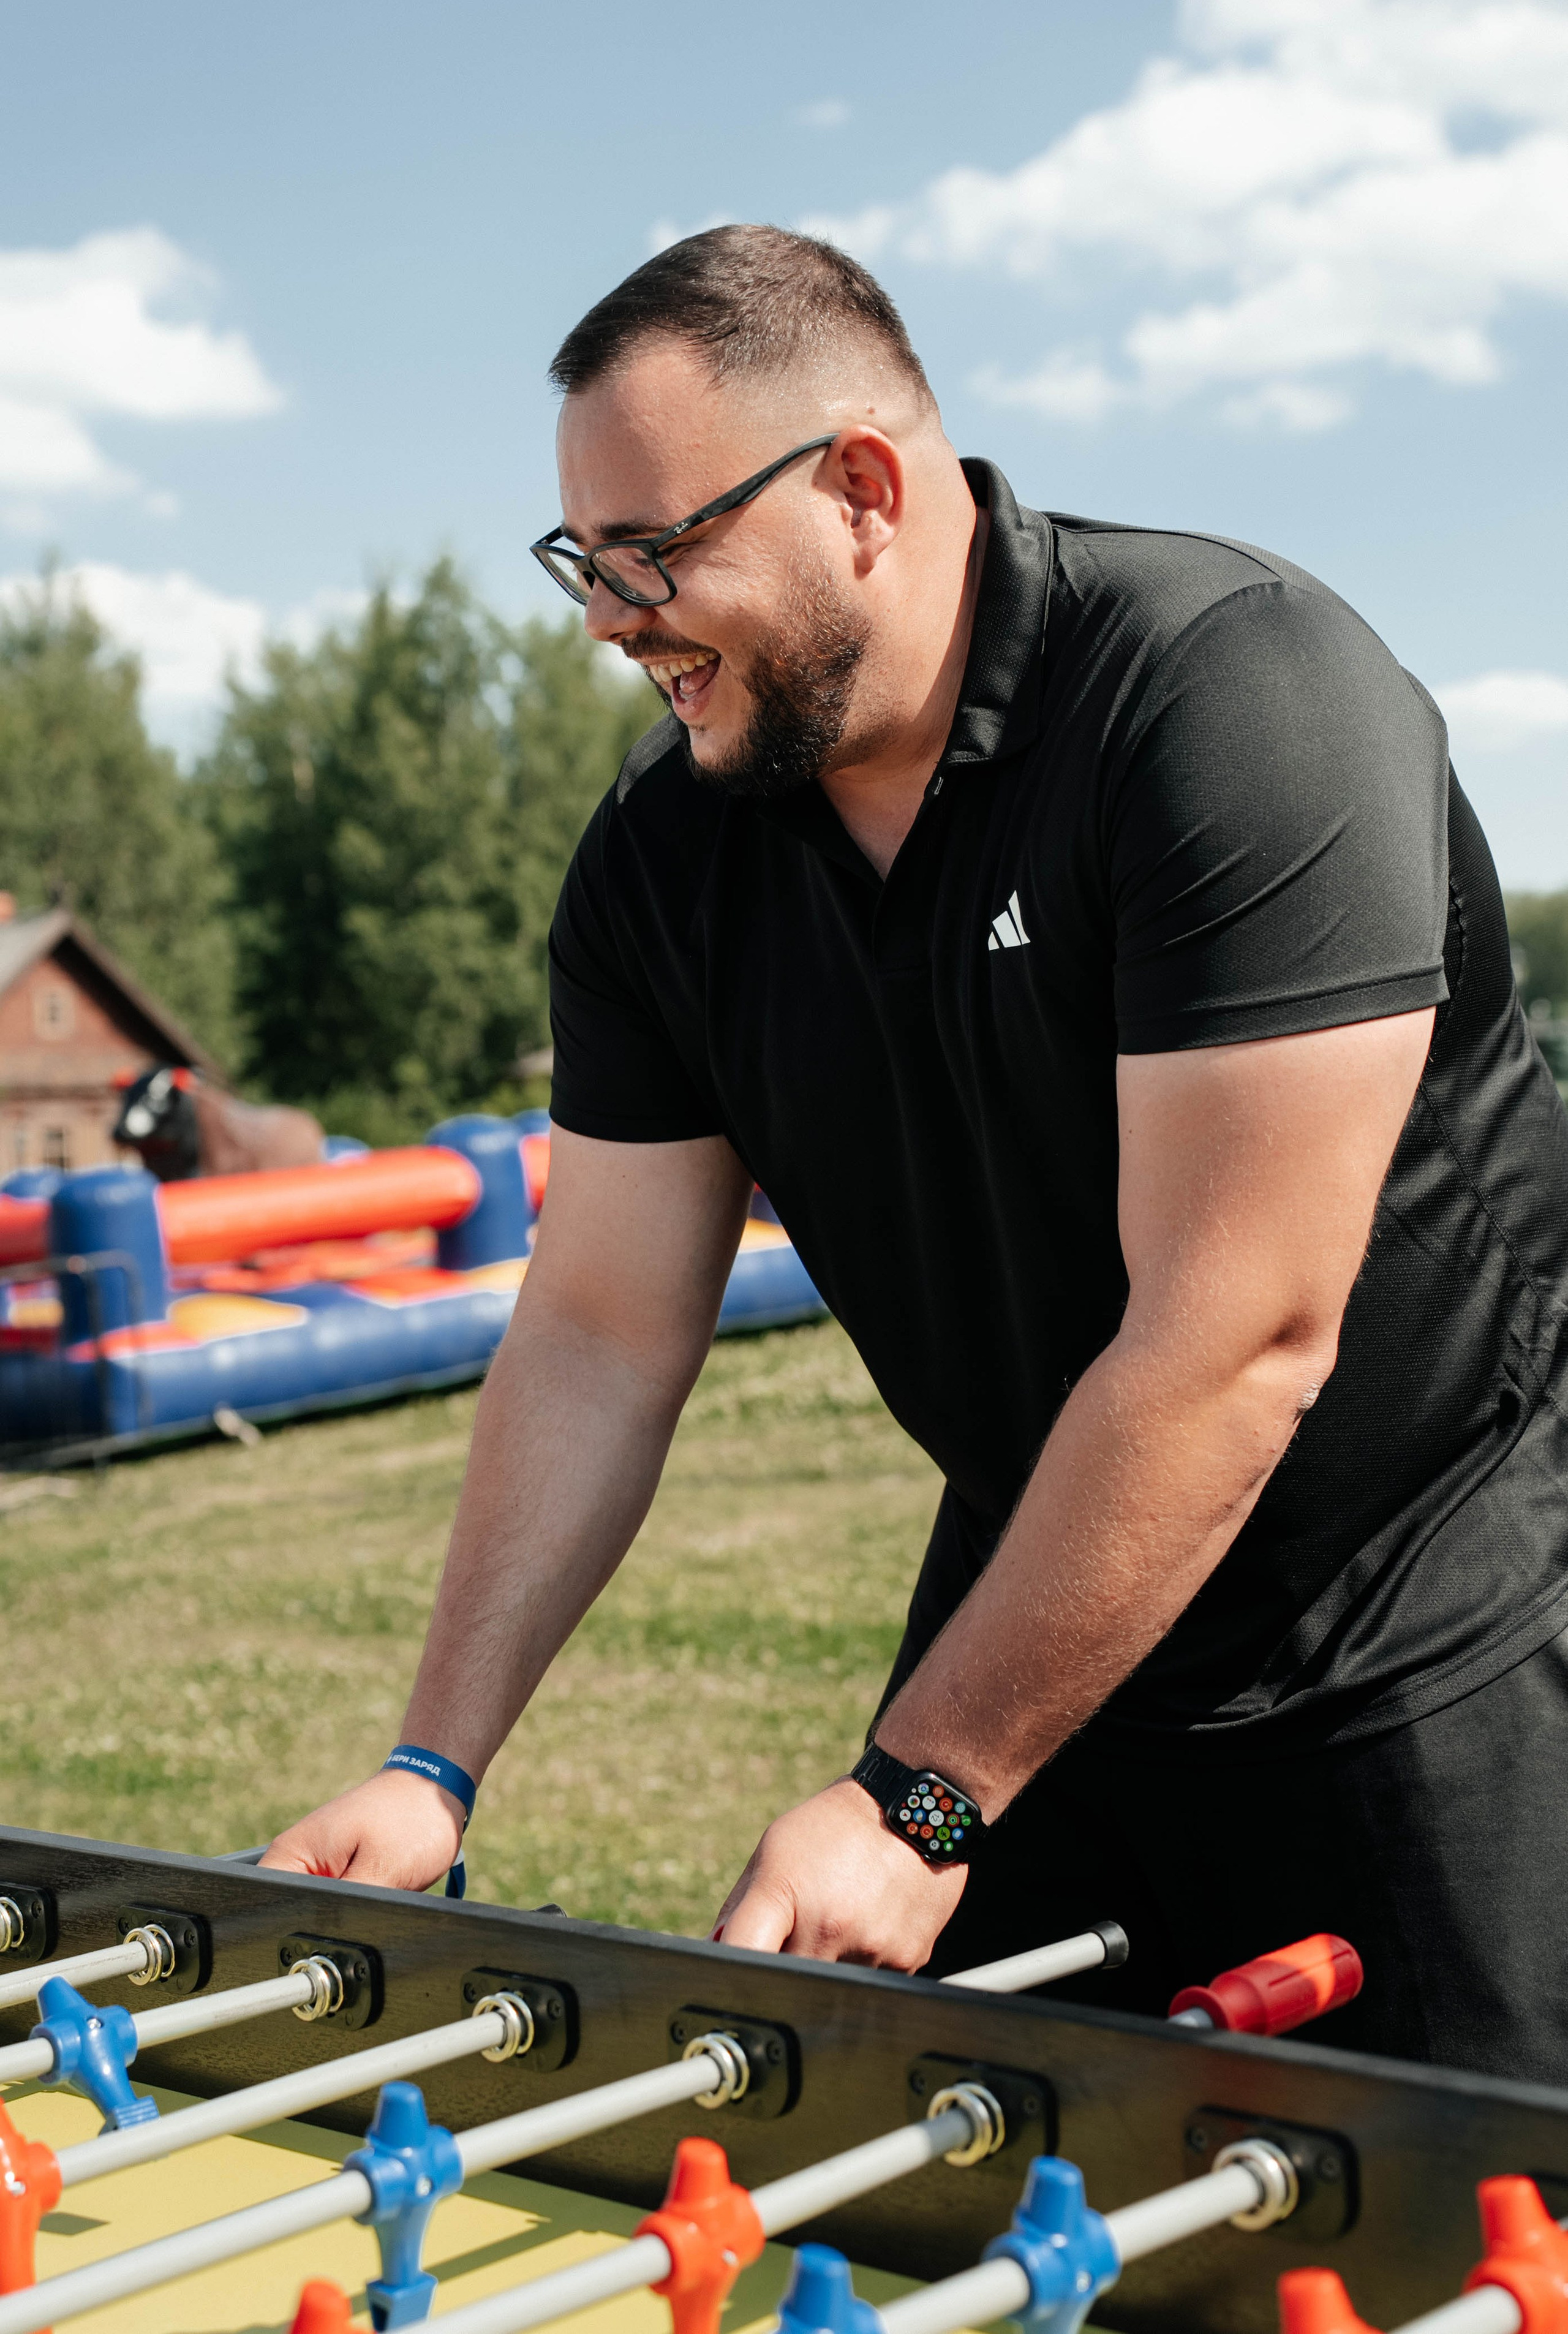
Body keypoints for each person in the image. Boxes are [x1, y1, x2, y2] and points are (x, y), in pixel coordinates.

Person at [264, 225, 1568, 2081]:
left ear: (862, 490)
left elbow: (1239, 1338)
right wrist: (433, 1764)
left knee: (1473, 2243)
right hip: (1048, 1583)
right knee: (956, 2220)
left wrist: (919, 1800)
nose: (607, 619)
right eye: (583, 559)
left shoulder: (1233, 702)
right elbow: (601, 1331)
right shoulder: (665, 852)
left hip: (1417, 1605)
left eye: (653, 553)